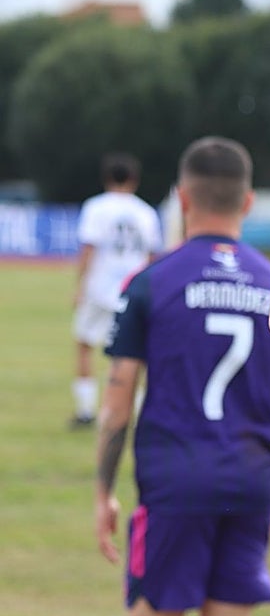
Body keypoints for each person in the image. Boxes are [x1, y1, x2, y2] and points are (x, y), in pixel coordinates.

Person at [94, 137, 270, 616]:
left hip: (175, 478)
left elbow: (117, 403)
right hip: (251, 480)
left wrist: (102, 491)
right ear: (248, 202)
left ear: (182, 198)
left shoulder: (152, 282)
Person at [71, 152, 163, 428]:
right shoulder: (146, 212)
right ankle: (139, 412)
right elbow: (152, 257)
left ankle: (86, 411)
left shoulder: (95, 207)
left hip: (99, 288)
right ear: (134, 179)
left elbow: (89, 248)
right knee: (135, 354)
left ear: (107, 178)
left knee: (85, 345)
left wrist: (79, 286)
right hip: (132, 291)